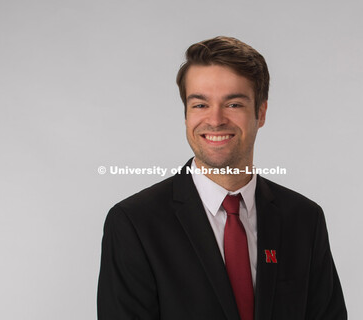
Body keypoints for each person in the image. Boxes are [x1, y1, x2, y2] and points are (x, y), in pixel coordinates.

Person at [97, 36, 347, 320]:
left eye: (233, 104)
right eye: (200, 105)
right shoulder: (134, 224)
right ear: (186, 113)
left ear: (261, 112)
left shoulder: (304, 219)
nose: (215, 120)